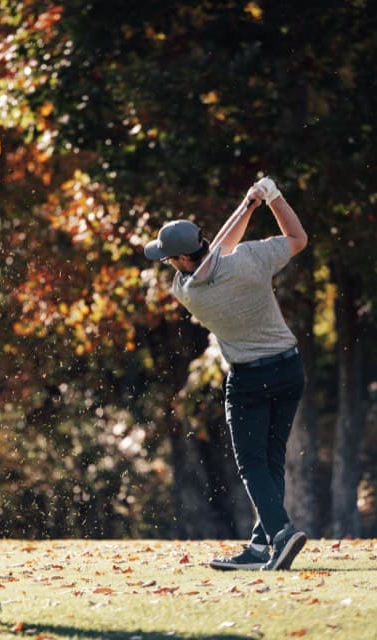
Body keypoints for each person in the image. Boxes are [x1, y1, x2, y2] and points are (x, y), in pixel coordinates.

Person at [144, 177, 309, 571]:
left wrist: (248, 206)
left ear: (182, 260)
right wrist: (271, 199)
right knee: (270, 461)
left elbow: (216, 253)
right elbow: (297, 238)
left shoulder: (187, 290)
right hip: (289, 368)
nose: (169, 265)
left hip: (250, 380)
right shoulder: (251, 259)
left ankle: (282, 533)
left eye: (169, 259)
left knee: (252, 464)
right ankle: (260, 547)